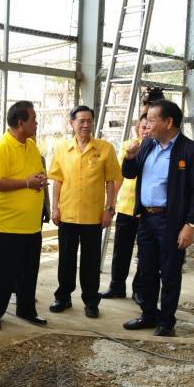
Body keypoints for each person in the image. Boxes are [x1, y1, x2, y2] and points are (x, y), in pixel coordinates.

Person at [122, 100, 194, 337]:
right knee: (146, 270)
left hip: (171, 221)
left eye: (152, 120)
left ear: (169, 122)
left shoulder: (190, 150)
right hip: (146, 219)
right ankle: (148, 314)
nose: (146, 125)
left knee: (169, 273)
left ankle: (167, 321)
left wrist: (189, 224)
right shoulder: (147, 145)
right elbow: (129, 174)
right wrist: (129, 157)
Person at [48, 105, 120, 318]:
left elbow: (110, 181)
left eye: (89, 120)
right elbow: (57, 181)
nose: (86, 125)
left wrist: (109, 209)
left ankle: (91, 301)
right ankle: (63, 297)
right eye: (81, 121)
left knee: (90, 261)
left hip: (93, 216)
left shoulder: (105, 148)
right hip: (68, 214)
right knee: (66, 259)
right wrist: (54, 208)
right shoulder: (62, 148)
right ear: (72, 123)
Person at [0, 102, 48, 329]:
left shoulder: (31, 145)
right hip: (8, 225)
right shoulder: (0, 148)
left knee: (29, 271)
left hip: (32, 224)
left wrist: (39, 180)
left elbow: (35, 173)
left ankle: (26, 309)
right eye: (33, 118)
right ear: (21, 123)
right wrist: (27, 183)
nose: (36, 123)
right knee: (4, 272)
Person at [100, 113, 152, 301]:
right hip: (126, 207)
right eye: (143, 127)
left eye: (149, 127)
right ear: (137, 128)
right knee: (121, 250)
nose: (146, 131)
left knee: (144, 253)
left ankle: (139, 290)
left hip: (145, 210)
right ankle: (117, 286)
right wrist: (111, 203)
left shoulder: (157, 147)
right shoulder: (128, 146)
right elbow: (118, 177)